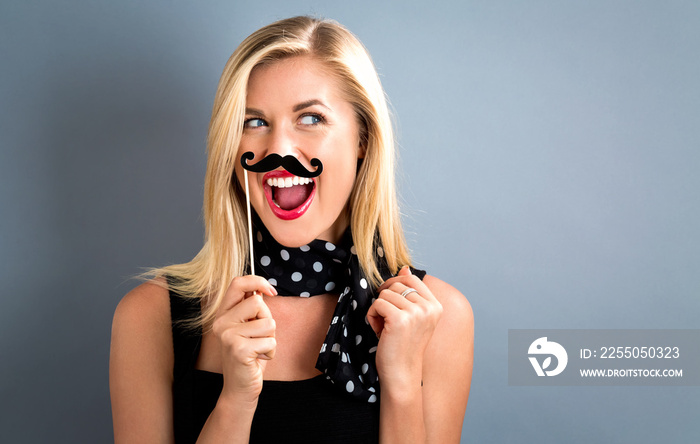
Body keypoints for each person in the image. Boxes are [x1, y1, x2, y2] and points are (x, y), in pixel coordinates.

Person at [110, 15, 473, 444]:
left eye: (311, 118)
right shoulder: (150, 317)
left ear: (363, 139)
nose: (278, 149)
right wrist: (236, 400)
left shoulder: (437, 318)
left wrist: (402, 386)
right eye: (255, 122)